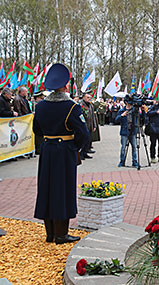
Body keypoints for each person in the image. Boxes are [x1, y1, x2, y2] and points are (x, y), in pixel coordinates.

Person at [33, 61, 90, 244]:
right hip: (64, 151)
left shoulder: (40, 106)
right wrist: (74, 147)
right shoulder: (72, 107)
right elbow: (83, 134)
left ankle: (50, 233)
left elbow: (37, 130)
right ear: (66, 86)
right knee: (63, 190)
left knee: (47, 188)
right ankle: (61, 234)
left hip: (47, 150)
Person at [116, 96, 140, 167]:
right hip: (124, 131)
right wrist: (121, 115)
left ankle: (135, 161)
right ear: (126, 103)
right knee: (123, 147)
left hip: (133, 131)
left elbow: (141, 117)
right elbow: (116, 120)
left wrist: (143, 111)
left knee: (134, 147)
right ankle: (122, 161)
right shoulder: (121, 110)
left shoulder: (134, 110)